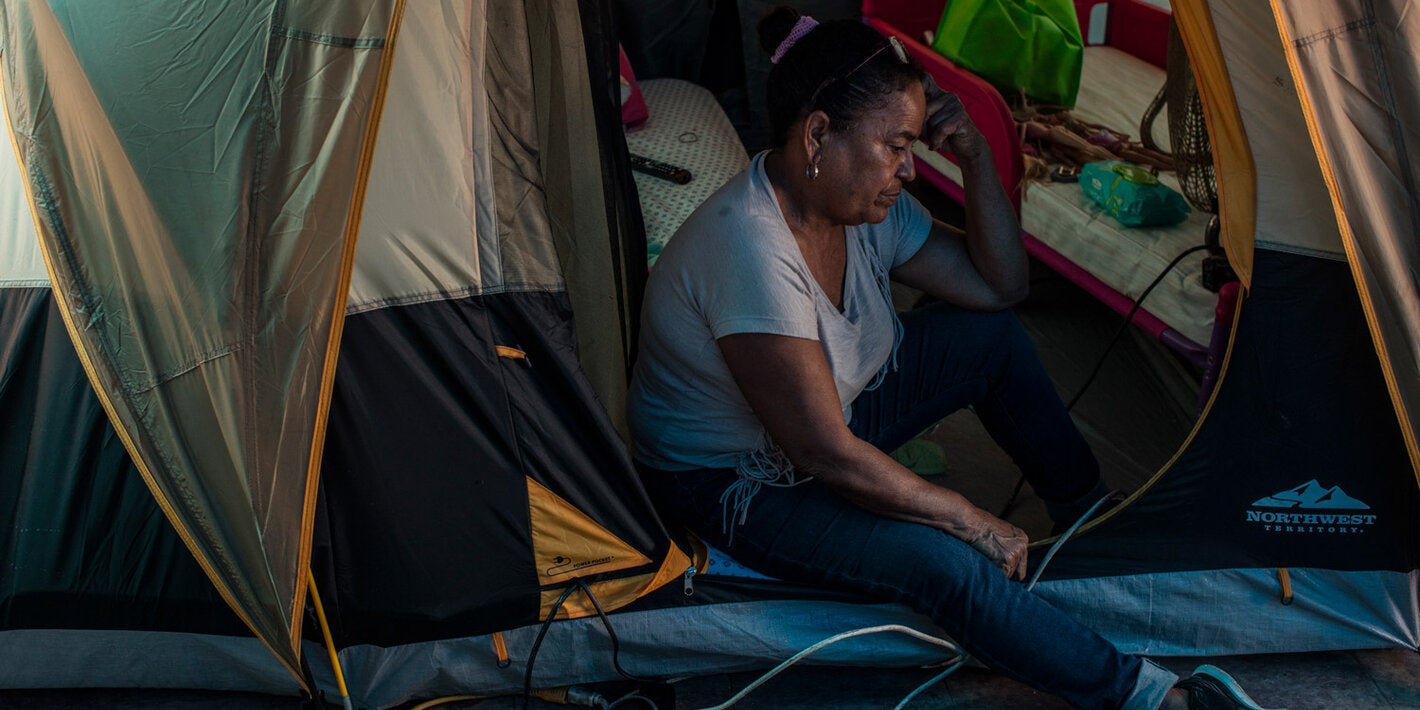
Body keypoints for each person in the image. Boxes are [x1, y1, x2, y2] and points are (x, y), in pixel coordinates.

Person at [627, 8, 1272, 710]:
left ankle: (1087, 523)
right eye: (895, 145)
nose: (908, 168)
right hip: (736, 481)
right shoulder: (750, 248)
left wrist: (975, 157)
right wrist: (965, 517)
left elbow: (1001, 288)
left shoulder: (859, 206)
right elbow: (824, 455)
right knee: (945, 563)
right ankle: (1156, 701)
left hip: (822, 431)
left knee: (985, 341)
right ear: (818, 135)